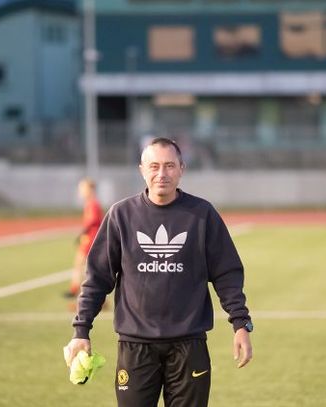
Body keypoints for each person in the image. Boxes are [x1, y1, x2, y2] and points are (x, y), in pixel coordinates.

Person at [64, 137, 252, 407]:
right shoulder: (121, 215)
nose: (161, 173)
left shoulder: (202, 214)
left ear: (181, 169)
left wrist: (240, 324)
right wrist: (81, 331)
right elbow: (97, 279)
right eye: (154, 166)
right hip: (135, 347)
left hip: (189, 345)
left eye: (169, 166)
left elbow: (227, 274)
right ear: (142, 170)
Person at [65, 178, 103, 298]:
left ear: (90, 189)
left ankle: (77, 291)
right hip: (90, 237)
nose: (81, 191)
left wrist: (82, 232)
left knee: (82, 265)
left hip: (90, 238)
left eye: (83, 188)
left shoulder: (93, 204)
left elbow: (92, 221)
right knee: (86, 266)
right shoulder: (91, 203)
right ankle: (80, 291)